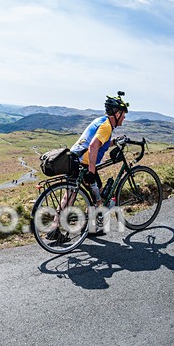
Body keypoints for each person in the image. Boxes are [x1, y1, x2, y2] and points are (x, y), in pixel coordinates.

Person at [45, 92, 129, 241]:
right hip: (83, 164)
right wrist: (91, 171)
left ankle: (58, 229)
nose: (124, 118)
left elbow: (100, 142)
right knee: (96, 196)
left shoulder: (101, 121)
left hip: (73, 159)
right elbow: (93, 145)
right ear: (117, 113)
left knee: (70, 196)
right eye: (123, 114)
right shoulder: (106, 126)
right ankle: (87, 227)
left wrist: (114, 142)